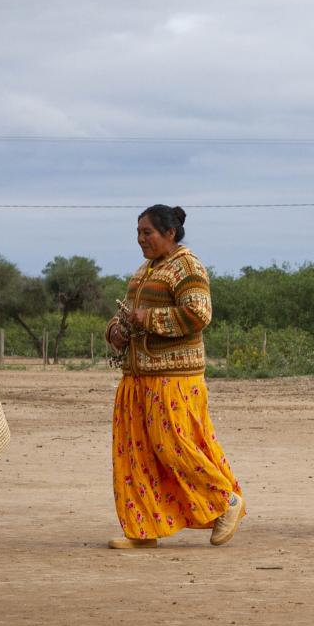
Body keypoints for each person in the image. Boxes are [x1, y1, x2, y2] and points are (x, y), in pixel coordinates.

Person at [104, 204, 245, 548]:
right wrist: (116, 332)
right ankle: (144, 528)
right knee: (137, 456)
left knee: (176, 449)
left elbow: (199, 313)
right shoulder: (144, 271)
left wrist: (146, 319)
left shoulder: (187, 266)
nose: (140, 239)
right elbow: (123, 316)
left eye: (147, 232)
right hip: (137, 379)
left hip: (174, 380)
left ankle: (225, 500)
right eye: (138, 232)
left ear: (170, 233)